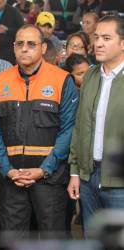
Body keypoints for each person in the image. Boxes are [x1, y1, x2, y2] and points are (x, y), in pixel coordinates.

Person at [0, 24, 79, 246]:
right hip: (12, 180)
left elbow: (69, 129)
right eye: (20, 44)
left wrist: (43, 169)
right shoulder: (1, 81)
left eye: (31, 44)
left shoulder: (61, 79)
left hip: (49, 179)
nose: (25, 49)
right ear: (13, 47)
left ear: (43, 47)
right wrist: (7, 170)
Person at [67, 15, 124, 236]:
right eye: (97, 37)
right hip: (88, 177)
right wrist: (75, 171)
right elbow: (80, 126)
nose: (98, 43)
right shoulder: (90, 75)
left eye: (107, 38)